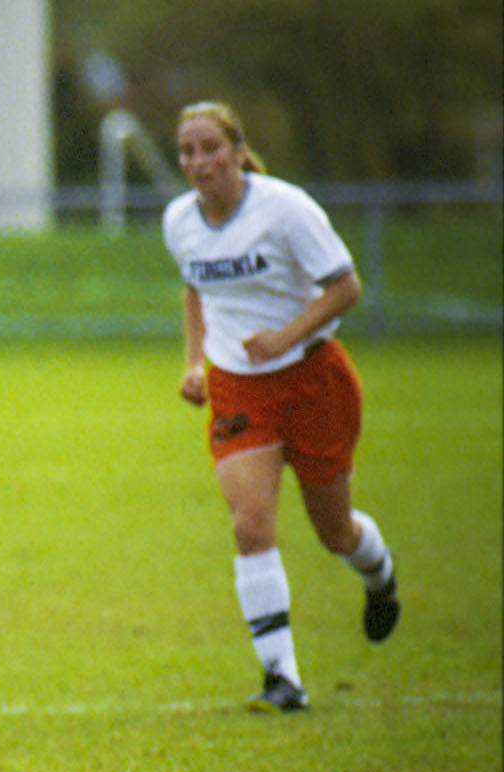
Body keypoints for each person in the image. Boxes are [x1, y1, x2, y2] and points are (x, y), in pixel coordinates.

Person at [162, 101, 400, 712]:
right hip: (239, 387)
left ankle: (379, 577)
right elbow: (194, 287)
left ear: (239, 151)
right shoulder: (179, 222)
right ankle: (282, 678)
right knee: (249, 524)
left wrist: (285, 338)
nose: (199, 162)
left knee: (334, 532)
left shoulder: (286, 209)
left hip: (313, 378)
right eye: (187, 151)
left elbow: (346, 286)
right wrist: (195, 362)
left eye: (210, 147)